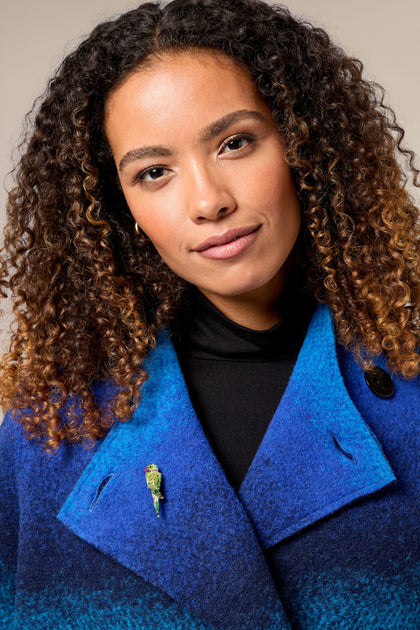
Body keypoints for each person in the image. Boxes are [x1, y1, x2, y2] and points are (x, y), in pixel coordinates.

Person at [0, 0, 419, 628]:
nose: (207, 201)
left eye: (235, 143)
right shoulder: (46, 434)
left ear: (303, 146)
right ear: (123, 211)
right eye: (154, 172)